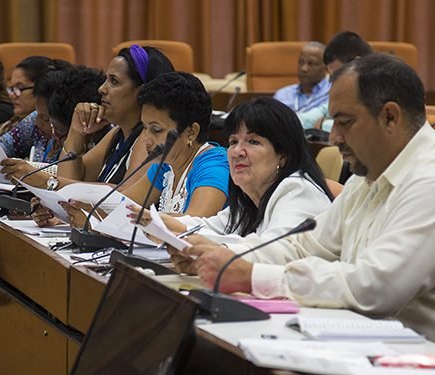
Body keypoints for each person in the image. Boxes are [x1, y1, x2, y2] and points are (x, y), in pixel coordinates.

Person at [180, 54, 435, 341]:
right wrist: (225, 259)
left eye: (344, 122)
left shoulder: (428, 180)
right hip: (361, 342)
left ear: (390, 117)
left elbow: (376, 286)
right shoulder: (367, 177)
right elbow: (305, 245)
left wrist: (252, 276)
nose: (334, 137)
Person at [131, 96, 333, 245]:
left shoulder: (297, 191)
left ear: (284, 153)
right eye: (233, 141)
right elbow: (211, 226)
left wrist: (190, 240)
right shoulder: (250, 200)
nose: (237, 152)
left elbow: (272, 250)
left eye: (253, 142)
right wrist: (162, 222)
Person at [54, 45, 175, 188]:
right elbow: (68, 184)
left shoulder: (148, 138)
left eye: (114, 81)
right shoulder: (117, 133)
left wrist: (42, 180)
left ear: (142, 92)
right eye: (106, 79)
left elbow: (126, 198)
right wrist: (77, 131)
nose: (101, 89)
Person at [119, 72, 229, 217]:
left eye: (156, 130)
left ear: (191, 132)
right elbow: (122, 205)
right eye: (145, 127)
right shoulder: (165, 165)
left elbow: (196, 224)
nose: (146, 139)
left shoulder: (214, 167)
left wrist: (147, 220)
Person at [0, 66, 110, 188]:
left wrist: (37, 175)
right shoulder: (40, 120)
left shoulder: (107, 138)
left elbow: (70, 188)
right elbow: (2, 146)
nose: (36, 122)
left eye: (114, 81)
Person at [0, 56, 70, 157]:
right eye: (11, 88)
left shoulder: (63, 125)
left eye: (20, 88)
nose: (12, 95)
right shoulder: (21, 121)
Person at [299, 31, 373, 131]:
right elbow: (322, 112)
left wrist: (323, 125)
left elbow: (362, 128)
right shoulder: (349, 90)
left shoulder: (380, 89)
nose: (335, 81)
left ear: (357, 64)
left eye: (338, 74)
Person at [273, 42, 329, 114]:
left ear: (326, 66)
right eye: (301, 62)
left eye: (311, 63)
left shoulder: (332, 94)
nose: (304, 69)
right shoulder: (282, 94)